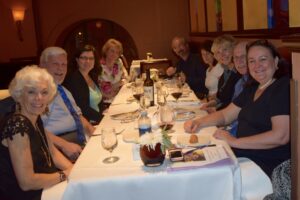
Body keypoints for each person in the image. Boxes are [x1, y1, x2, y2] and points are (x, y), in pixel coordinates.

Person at [184, 39, 290, 178]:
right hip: (242, 154)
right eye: (251, 61)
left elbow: (281, 136)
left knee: (202, 175)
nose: (257, 65)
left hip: (264, 165)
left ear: (276, 62)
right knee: (189, 160)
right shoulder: (252, 87)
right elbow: (225, 115)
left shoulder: (282, 87)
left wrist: (235, 141)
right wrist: (198, 122)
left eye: (263, 59)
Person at [0, 66, 73, 200]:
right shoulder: (18, 125)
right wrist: (64, 175)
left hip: (45, 187)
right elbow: (27, 182)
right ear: (20, 94)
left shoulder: (34, 117)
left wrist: (73, 170)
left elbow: (53, 153)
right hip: (26, 195)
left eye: (44, 92)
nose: (39, 98)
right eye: (31, 92)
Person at [40, 47, 95, 158]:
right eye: (55, 64)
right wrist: (64, 145)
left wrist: (92, 130)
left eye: (63, 64)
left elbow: (78, 115)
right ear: (43, 66)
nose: (60, 69)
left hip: (79, 140)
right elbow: (36, 129)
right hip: (58, 147)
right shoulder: (40, 94)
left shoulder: (63, 90)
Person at [64, 44, 103, 125]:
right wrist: (103, 118)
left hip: (97, 120)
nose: (88, 61)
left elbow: (99, 101)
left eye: (91, 58)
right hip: (86, 124)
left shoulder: (92, 75)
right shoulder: (74, 79)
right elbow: (82, 107)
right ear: (77, 60)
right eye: (84, 58)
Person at [201, 35, 241, 112]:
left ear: (234, 50)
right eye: (218, 52)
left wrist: (215, 110)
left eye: (225, 50)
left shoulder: (239, 73)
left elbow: (234, 103)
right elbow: (221, 97)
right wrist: (208, 105)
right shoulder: (226, 72)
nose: (222, 55)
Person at [98, 38, 129, 103]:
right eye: (112, 51)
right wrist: (117, 85)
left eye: (117, 52)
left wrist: (117, 85)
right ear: (106, 51)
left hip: (120, 96)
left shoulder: (119, 62)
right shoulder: (99, 67)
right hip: (107, 101)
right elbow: (100, 89)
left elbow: (126, 77)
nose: (114, 54)